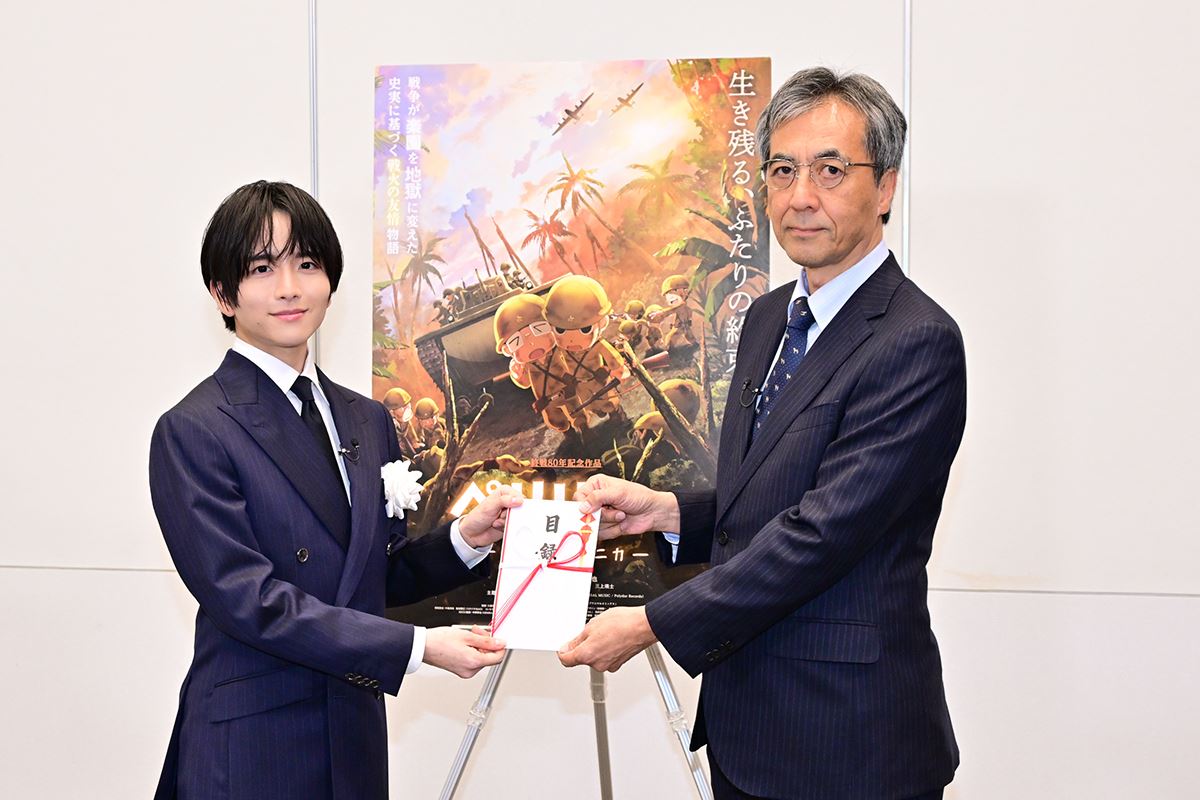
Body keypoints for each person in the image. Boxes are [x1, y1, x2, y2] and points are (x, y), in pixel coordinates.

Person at [559, 67, 965, 800]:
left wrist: (651, 622)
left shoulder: (916, 340)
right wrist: (669, 512)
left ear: (886, 188)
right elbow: (768, 494)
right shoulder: (769, 317)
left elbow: (823, 532)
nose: (801, 195)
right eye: (782, 170)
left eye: (831, 170)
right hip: (746, 725)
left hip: (850, 742)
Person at [149, 181, 521, 799]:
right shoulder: (195, 429)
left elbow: (375, 574)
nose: (289, 287)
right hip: (255, 745)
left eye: (306, 264)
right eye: (261, 268)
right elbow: (249, 600)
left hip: (352, 731)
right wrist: (417, 647)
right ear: (223, 293)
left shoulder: (366, 419)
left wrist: (465, 540)